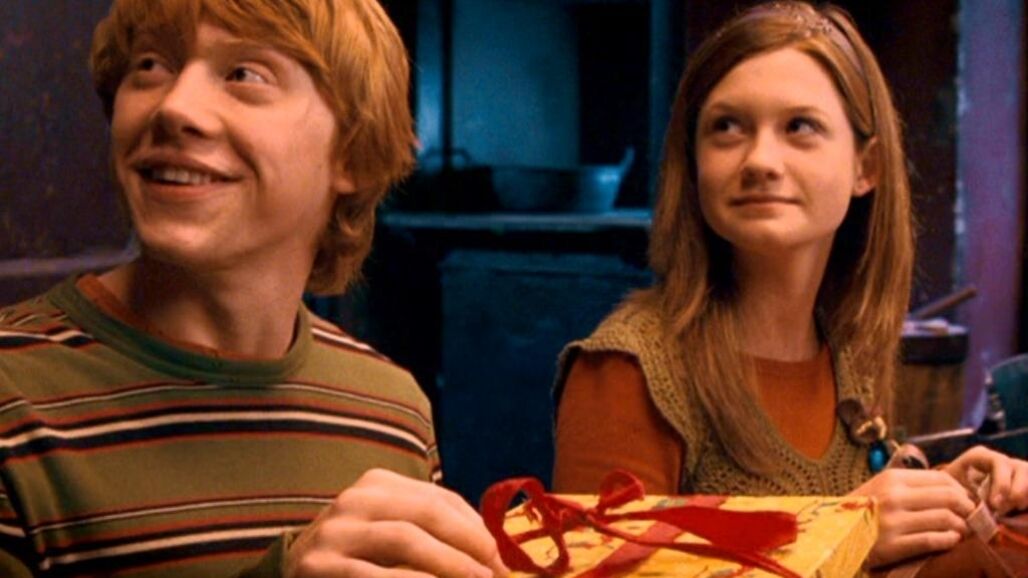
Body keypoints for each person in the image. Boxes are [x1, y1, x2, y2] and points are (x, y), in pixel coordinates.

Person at [0, 0, 506, 576]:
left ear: (352, 153)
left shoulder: (393, 411)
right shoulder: (12, 397)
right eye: (150, 67)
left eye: (244, 74)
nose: (174, 107)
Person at [552, 0, 1028, 570]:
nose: (760, 160)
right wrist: (840, 532)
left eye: (799, 127)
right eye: (727, 127)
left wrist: (940, 494)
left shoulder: (843, 349)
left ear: (866, 168)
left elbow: (856, 518)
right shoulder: (629, 371)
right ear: (693, 161)